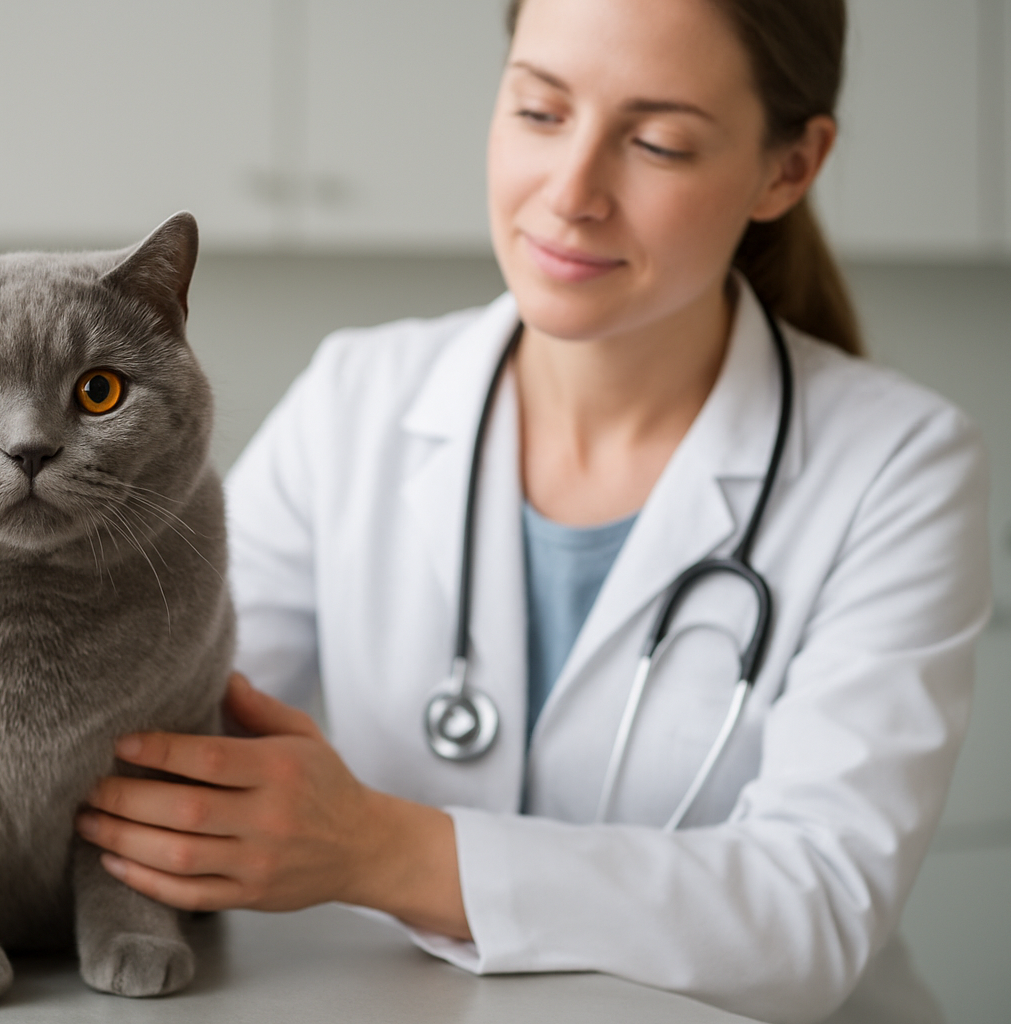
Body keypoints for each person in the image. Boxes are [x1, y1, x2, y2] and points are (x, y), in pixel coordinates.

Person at [75, 0, 992, 1021]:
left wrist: (379, 849)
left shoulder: (899, 464)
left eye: (658, 142)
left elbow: (812, 911)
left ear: (789, 167)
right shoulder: (357, 399)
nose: (571, 193)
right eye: (540, 111)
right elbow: (155, 722)